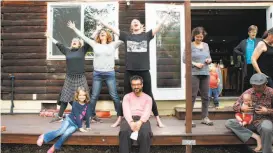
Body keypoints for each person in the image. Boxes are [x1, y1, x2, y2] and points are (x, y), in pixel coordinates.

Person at [96, 13, 171, 128]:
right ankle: (119, 119)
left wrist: (167, 14)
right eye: (133, 22)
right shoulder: (126, 36)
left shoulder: (146, 35)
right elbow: (112, 28)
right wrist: (102, 21)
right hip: (130, 70)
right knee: (126, 95)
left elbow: (159, 25)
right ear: (131, 27)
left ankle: (158, 119)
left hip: (144, 70)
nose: (135, 22)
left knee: (149, 95)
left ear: (141, 25)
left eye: (137, 21)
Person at [67, 21, 123, 127]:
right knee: (94, 96)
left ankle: (120, 116)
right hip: (97, 74)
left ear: (107, 35)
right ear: (98, 35)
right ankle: (90, 115)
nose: (102, 33)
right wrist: (74, 28)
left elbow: (123, 37)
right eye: (100, 32)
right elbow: (83, 37)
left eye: (104, 32)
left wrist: (109, 26)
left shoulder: (113, 44)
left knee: (114, 96)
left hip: (109, 73)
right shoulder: (94, 44)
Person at [45, 32, 91, 123]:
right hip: (69, 78)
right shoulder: (67, 51)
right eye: (73, 41)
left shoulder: (82, 50)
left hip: (80, 77)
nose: (74, 41)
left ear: (79, 44)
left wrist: (96, 30)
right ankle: (59, 116)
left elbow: (89, 41)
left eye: (76, 41)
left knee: (84, 97)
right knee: (65, 97)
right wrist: (50, 37)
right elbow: (59, 44)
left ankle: (88, 116)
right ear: (71, 43)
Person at [225, 73, 273, 153]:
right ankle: (257, 137)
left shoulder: (271, 92)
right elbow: (235, 106)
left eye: (259, 86)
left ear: (265, 84)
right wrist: (241, 108)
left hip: (264, 120)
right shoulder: (248, 92)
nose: (256, 88)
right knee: (229, 123)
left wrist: (267, 111)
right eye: (254, 86)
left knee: (267, 128)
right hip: (247, 120)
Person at [36, 87, 91, 153]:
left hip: (75, 125)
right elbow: (77, 116)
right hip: (69, 120)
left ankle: (55, 146)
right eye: (80, 95)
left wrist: (87, 126)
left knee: (66, 133)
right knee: (61, 131)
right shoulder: (75, 104)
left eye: (83, 95)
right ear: (77, 95)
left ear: (86, 95)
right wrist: (80, 127)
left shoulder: (87, 104)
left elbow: (88, 115)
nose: (82, 97)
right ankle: (43, 136)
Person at [183, 27, 213, 127]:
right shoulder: (189, 45)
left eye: (201, 37)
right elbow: (184, 59)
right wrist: (195, 64)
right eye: (197, 37)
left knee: (206, 96)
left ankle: (205, 117)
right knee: (192, 96)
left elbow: (209, 57)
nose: (200, 38)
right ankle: (188, 119)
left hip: (205, 73)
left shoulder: (206, 45)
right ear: (194, 36)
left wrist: (209, 60)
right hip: (194, 73)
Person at [119, 75, 153, 153]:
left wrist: (140, 122)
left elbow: (147, 112)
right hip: (129, 118)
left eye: (138, 84)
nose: (136, 87)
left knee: (145, 133)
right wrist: (131, 122)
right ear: (131, 86)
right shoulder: (127, 97)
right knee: (124, 132)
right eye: (134, 85)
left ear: (142, 85)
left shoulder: (148, 98)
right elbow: (126, 110)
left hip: (143, 119)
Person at [234, 25, 262, 90]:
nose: (253, 33)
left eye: (255, 32)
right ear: (248, 33)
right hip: (247, 63)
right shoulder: (244, 42)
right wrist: (242, 54)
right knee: (248, 79)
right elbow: (235, 49)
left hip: (257, 64)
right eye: (252, 32)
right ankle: (249, 93)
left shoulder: (259, 41)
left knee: (258, 79)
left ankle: (257, 93)